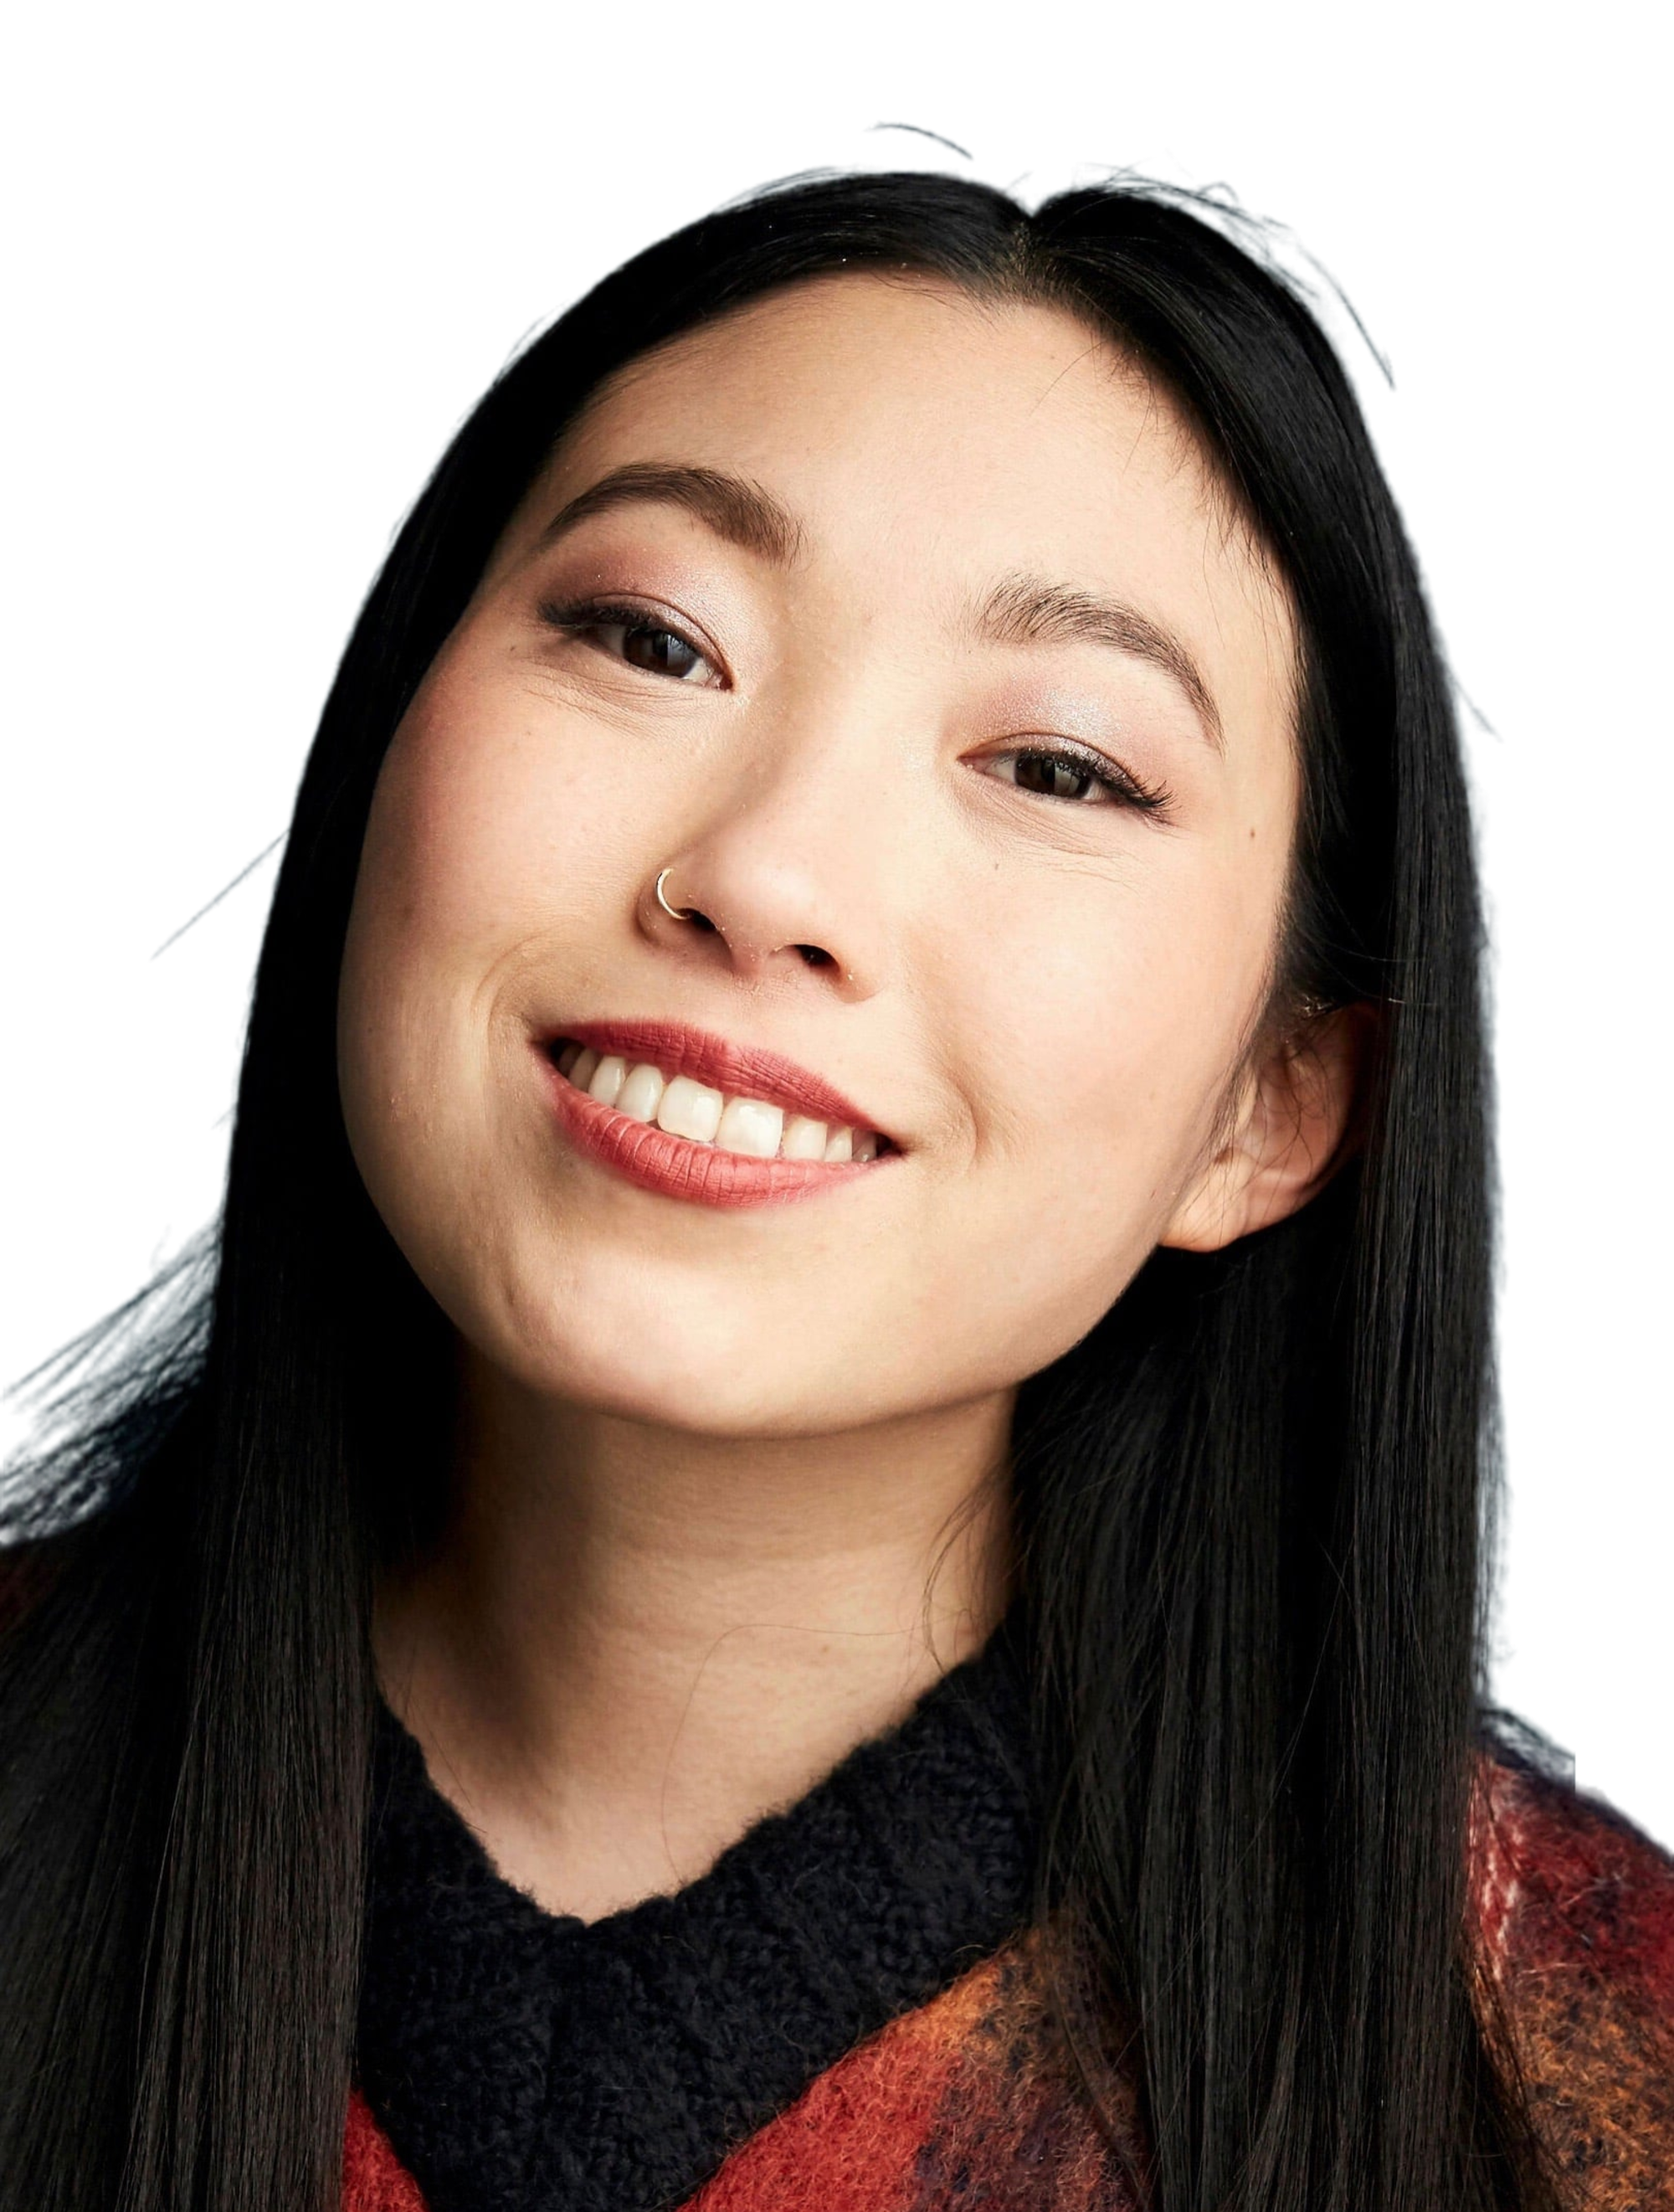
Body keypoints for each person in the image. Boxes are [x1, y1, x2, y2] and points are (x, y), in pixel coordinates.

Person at [3, 158, 1666, 2212]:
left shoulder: (1581, 2065)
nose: (769, 873)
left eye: (1054, 767)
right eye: (652, 638)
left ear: (1272, 1105)